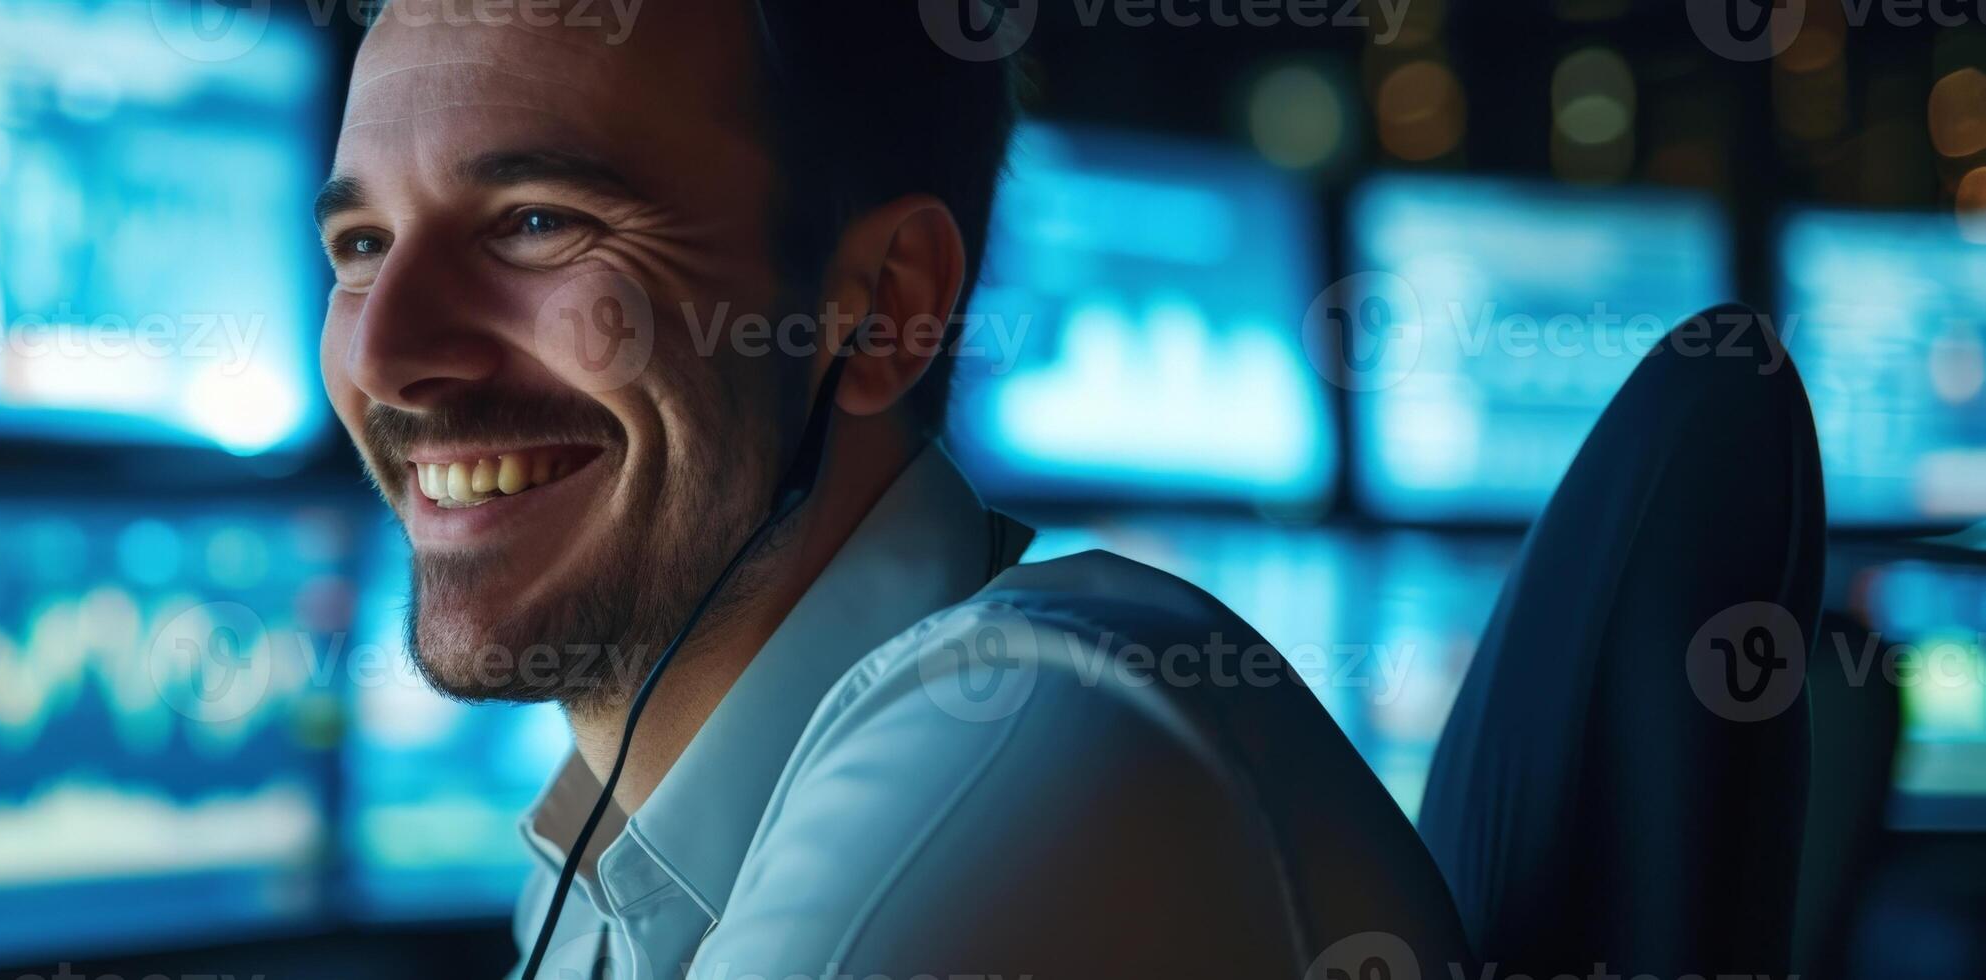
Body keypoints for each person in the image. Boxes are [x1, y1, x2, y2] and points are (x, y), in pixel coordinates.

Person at [313, 1, 1470, 976]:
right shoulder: (596, 872)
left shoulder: (1035, 725)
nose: (382, 352)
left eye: (532, 224)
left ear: (882, 304)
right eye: (361, 244)